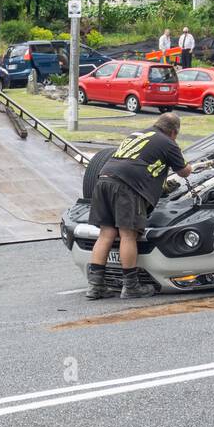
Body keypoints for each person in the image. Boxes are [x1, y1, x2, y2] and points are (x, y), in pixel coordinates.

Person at [86, 112, 192, 300]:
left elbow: (140, 162)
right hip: (126, 187)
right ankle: (131, 286)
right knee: (128, 235)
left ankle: (95, 287)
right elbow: (183, 172)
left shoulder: (137, 134)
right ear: (174, 132)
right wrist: (190, 166)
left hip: (103, 179)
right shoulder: (168, 143)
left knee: (106, 234)